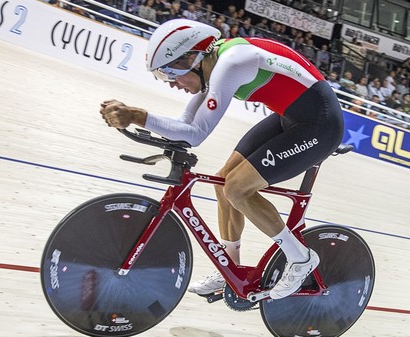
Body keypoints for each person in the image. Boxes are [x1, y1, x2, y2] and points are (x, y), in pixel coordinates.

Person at [100, 19, 344, 300]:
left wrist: (137, 116)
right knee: (222, 184)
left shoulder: (231, 63)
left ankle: (300, 258)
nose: (172, 83)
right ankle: (230, 266)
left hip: (320, 126)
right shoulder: (212, 64)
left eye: (172, 72)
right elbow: (185, 122)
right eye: (163, 76)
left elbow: (195, 134)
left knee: (237, 189)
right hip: (290, 117)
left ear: (194, 57)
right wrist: (136, 117)